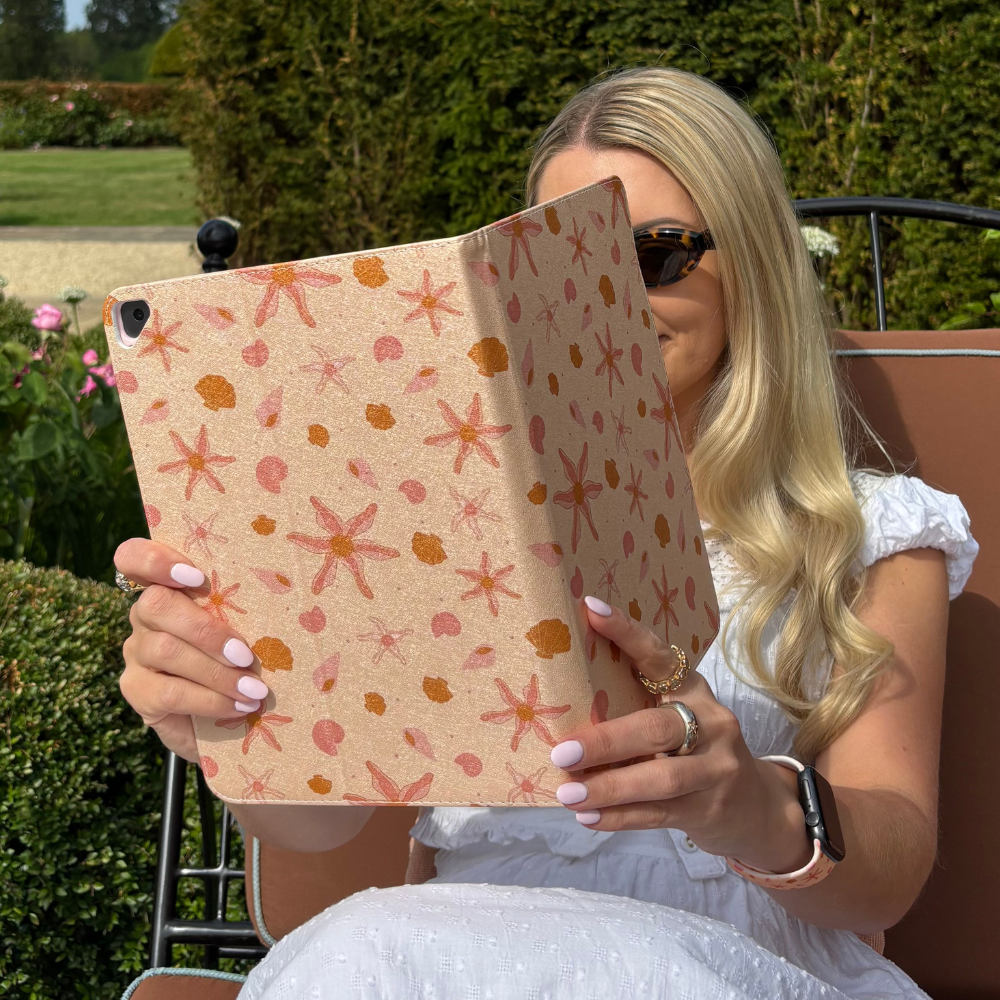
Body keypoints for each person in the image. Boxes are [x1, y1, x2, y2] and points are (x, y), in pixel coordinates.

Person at [114, 67, 979, 998]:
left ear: (755, 267)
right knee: (366, 948)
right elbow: (324, 828)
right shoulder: (433, 517)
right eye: (568, 262)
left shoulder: (867, 531)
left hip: (725, 962)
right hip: (446, 955)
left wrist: (751, 806)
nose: (604, 296)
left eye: (654, 255)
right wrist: (231, 720)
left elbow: (890, 871)